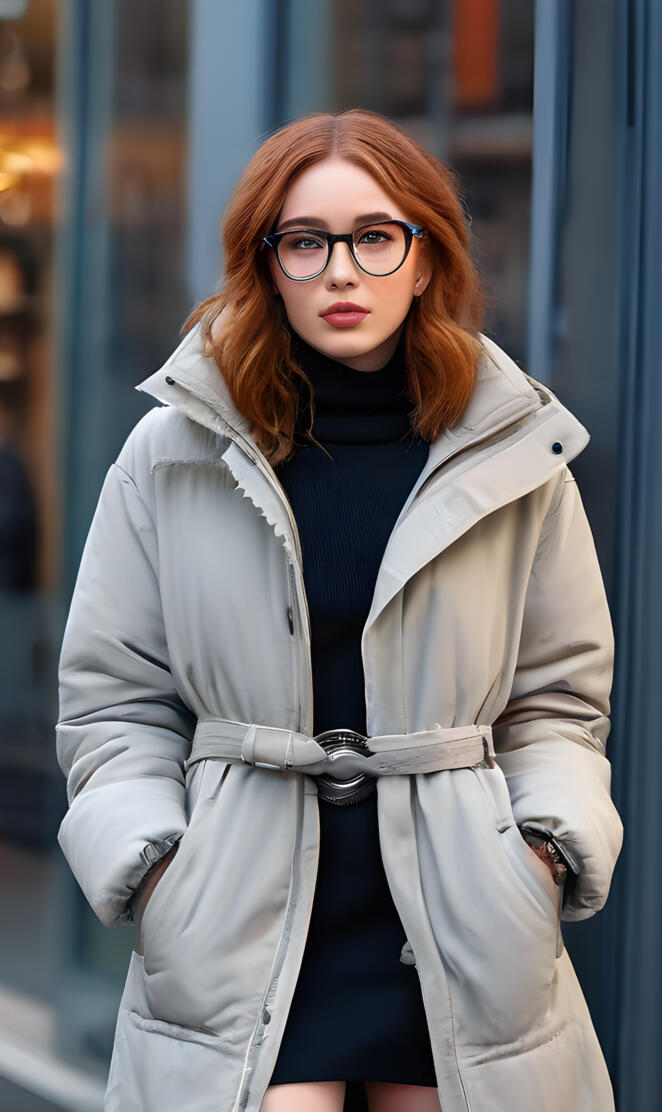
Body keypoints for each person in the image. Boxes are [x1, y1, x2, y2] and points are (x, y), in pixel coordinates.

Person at [55, 109, 624, 1112]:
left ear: (424, 256)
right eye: (304, 241)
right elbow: (113, 702)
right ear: (264, 263)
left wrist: (538, 855)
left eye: (373, 236)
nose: (339, 271)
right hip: (239, 910)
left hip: (455, 911)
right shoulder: (175, 451)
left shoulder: (513, 454)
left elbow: (558, 704)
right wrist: (157, 871)